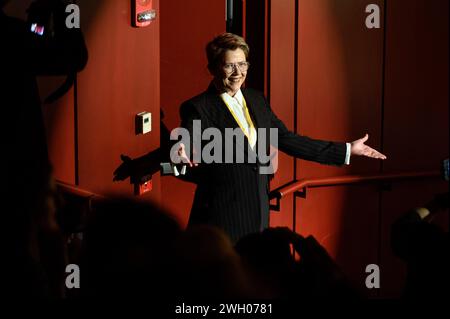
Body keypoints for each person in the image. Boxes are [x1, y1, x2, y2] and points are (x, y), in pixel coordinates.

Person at [172, 32, 386, 243]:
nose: (238, 72)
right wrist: (181, 149)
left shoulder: (257, 100)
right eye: (229, 66)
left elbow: (286, 139)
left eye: (243, 64)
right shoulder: (199, 107)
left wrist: (347, 149)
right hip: (221, 217)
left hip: (258, 212)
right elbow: (187, 135)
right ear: (213, 68)